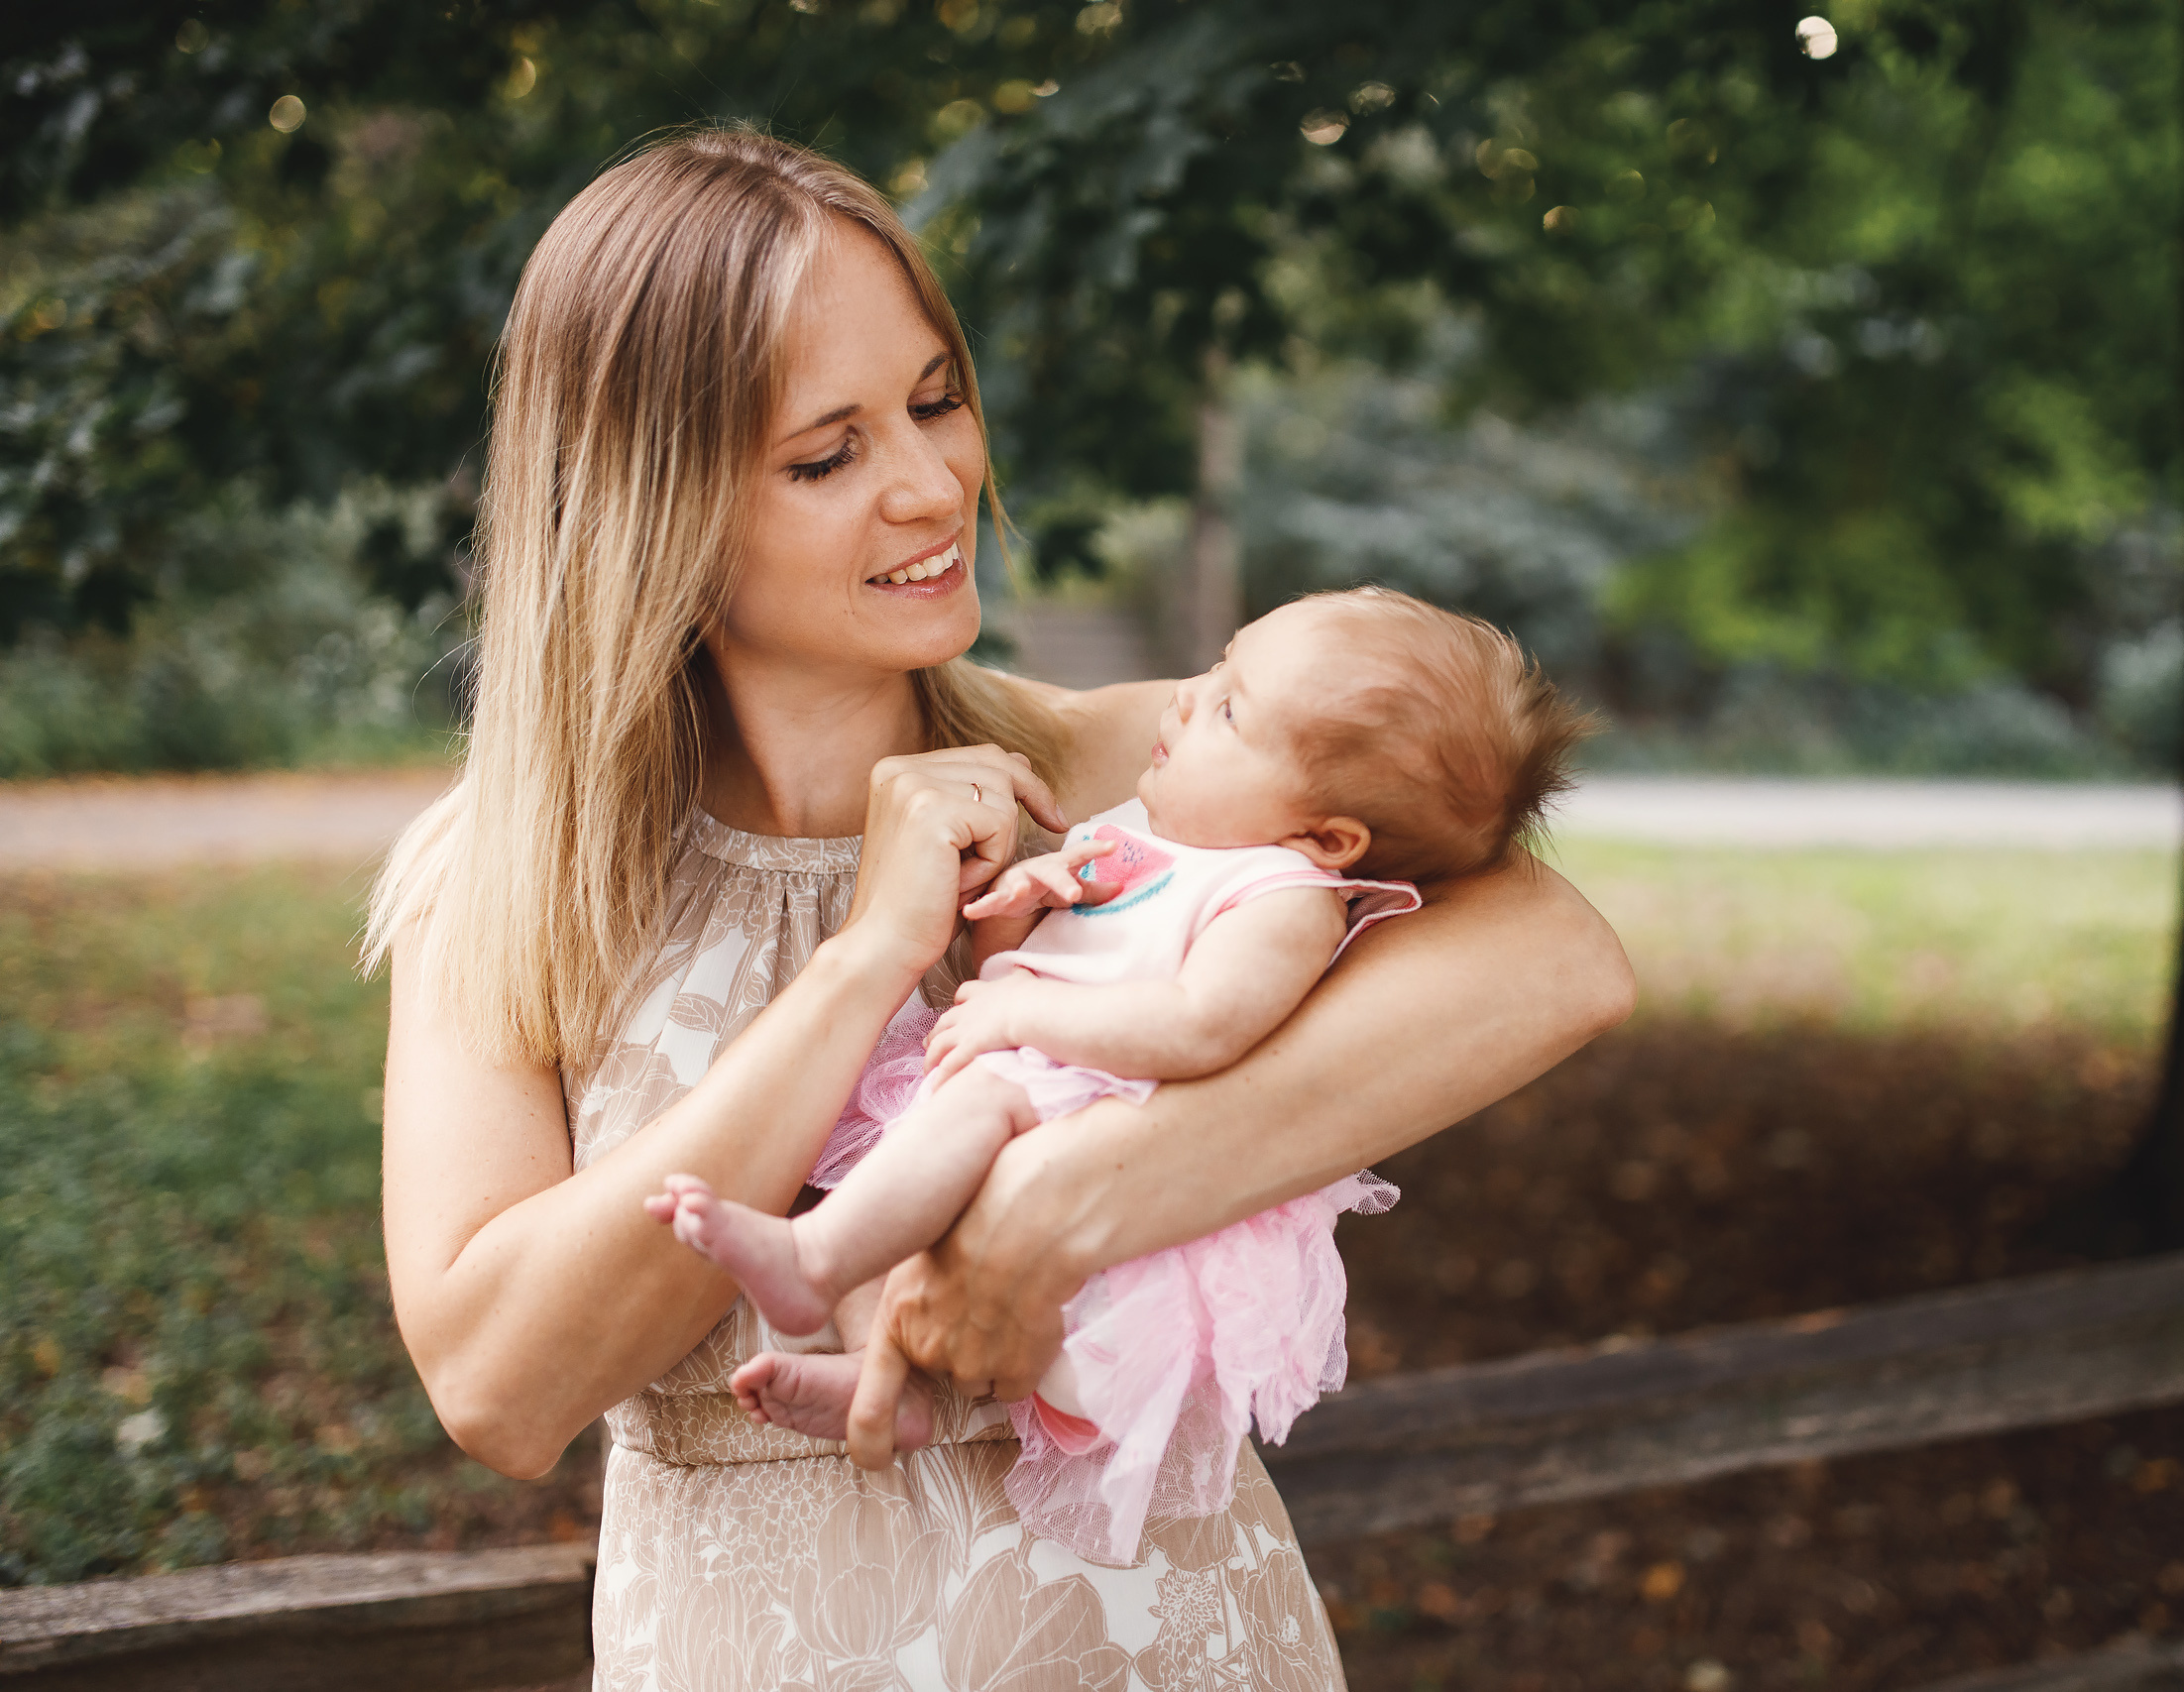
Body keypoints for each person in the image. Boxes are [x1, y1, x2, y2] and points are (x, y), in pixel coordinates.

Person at [369, 126, 1633, 1690]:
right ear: (650, 505)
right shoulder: (507, 878)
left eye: (936, 400)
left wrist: (1068, 1200)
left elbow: (1559, 958)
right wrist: (865, 960)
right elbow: (499, 1386)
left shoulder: (1127, 773)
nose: (932, 484)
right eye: (825, 456)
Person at [647, 588, 1592, 1567]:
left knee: (959, 1119)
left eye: (1229, 708)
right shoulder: (1150, 838)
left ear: (1328, 838)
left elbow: (1199, 1026)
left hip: (1102, 1110)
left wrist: (1022, 1016)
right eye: (1216, 667)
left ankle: (813, 1263)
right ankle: (884, 1379)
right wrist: (1020, 909)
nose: (1185, 697)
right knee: (891, 1173)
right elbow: (1027, 965)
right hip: (1040, 1078)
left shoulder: (1281, 896)